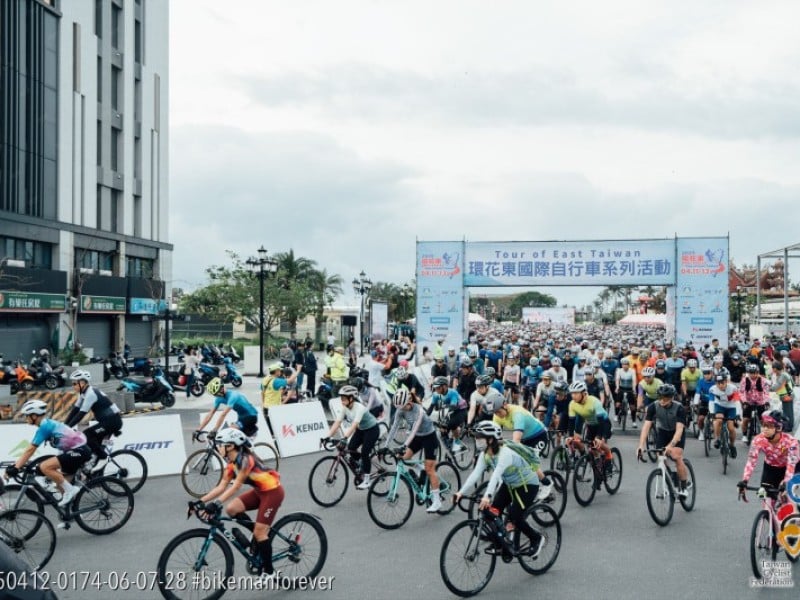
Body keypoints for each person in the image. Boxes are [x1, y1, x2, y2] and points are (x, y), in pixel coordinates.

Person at [191, 429, 283, 580]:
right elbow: (221, 486)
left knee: (260, 533)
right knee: (232, 509)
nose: (217, 447)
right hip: (260, 492)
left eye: (220, 444)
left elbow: (236, 487)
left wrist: (215, 504)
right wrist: (201, 501)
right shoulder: (231, 464)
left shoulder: (246, 460)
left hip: (273, 492)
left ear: (230, 446)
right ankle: (258, 535)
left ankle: (269, 571)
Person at [453, 422, 545, 560]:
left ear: (490, 439)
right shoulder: (485, 455)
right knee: (492, 512)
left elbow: (496, 475)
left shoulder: (505, 453)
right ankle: (502, 544)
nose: (477, 441)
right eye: (476, 438)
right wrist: (460, 492)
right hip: (509, 484)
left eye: (480, 438)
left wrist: (487, 496)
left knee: (515, 516)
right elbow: (475, 474)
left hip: (527, 485)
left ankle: (536, 538)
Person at [3, 399, 91, 507]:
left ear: (34, 416)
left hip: (80, 451)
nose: (26, 418)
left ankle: (71, 489)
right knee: (60, 489)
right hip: (75, 451)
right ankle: (70, 517)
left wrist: (16, 467)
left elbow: (30, 449)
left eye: (27, 415)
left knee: (45, 466)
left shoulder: (45, 427)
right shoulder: (46, 424)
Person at [385, 388, 443, 512]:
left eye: (403, 406)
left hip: (429, 437)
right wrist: (385, 445)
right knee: (403, 457)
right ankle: (420, 470)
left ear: (409, 401)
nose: (401, 409)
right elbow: (394, 427)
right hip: (418, 437)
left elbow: (414, 430)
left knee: (430, 469)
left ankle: (437, 501)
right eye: (398, 407)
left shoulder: (419, 410)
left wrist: (404, 445)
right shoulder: (401, 409)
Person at [636, 384, 691, 497]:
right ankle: (672, 475)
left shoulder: (679, 408)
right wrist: (641, 446)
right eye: (660, 397)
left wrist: (671, 446)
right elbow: (646, 427)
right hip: (663, 431)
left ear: (671, 397)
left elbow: (679, 430)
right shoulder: (653, 407)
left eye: (665, 398)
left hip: (676, 433)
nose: (662, 400)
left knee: (676, 456)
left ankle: (684, 487)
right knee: (659, 455)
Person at [64, 369, 123, 472]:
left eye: (74, 383)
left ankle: (104, 458)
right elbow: (75, 410)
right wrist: (64, 425)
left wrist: (67, 428)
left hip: (112, 421)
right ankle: (97, 474)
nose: (73, 386)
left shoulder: (91, 394)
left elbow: (81, 414)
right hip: (106, 421)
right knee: (95, 447)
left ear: (82, 383)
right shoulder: (83, 393)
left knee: (87, 434)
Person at [323, 385, 381, 489]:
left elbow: (354, 425)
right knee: (350, 449)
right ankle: (363, 465)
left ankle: (367, 480)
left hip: (372, 430)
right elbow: (337, 422)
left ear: (351, 398)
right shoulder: (345, 408)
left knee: (364, 452)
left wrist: (344, 438)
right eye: (341, 399)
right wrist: (327, 436)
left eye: (344, 399)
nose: (342, 401)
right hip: (361, 429)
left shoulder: (360, 408)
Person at [739, 410, 800, 494]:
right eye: (764, 425)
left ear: (779, 428)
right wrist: (745, 480)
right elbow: (751, 462)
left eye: (769, 426)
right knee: (766, 496)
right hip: (771, 467)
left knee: (788, 495)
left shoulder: (791, 442)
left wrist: (787, 482)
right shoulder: (758, 440)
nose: (765, 429)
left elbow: (791, 465)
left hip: (793, 468)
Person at [566, 381, 613, 484]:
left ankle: (609, 455)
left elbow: (602, 421)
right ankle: (598, 469)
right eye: (572, 393)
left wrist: (599, 437)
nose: (573, 396)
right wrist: (570, 436)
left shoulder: (594, 402)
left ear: (583, 393)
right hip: (590, 425)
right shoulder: (572, 404)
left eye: (576, 393)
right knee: (591, 449)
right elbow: (571, 422)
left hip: (603, 424)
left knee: (599, 445)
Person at [428, 376, 468, 452]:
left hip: (461, 410)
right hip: (450, 410)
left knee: (448, 425)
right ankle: (453, 444)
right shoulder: (436, 394)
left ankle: (455, 443)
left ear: (445, 386)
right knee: (444, 427)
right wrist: (424, 416)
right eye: (435, 388)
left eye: (438, 388)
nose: (436, 390)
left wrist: (445, 420)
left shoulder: (452, 392)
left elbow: (453, 406)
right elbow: (430, 408)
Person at [709, 370, 741, 458]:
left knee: (731, 427)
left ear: (726, 381)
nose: (720, 385)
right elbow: (711, 402)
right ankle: (717, 439)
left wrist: (738, 414)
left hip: (731, 407)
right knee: (718, 420)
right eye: (718, 383)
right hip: (719, 406)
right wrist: (712, 413)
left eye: (722, 383)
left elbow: (737, 401)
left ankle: (732, 445)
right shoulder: (712, 389)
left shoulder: (733, 388)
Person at [741, 363, 771, 444]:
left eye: (755, 373)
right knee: (745, 419)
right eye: (751, 373)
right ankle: (744, 435)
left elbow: (766, 392)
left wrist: (766, 401)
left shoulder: (763, 380)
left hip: (760, 401)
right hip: (748, 401)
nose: (754, 375)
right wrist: (744, 401)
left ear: (758, 372)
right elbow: (742, 392)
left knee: (763, 420)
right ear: (749, 373)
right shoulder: (745, 380)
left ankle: (765, 435)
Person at [771, 361, 795, 433]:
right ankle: (787, 426)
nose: (772, 369)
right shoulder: (783, 374)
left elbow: (778, 385)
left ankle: (789, 427)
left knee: (788, 413)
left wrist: (770, 387)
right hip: (786, 395)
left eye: (773, 368)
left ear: (775, 368)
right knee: (786, 411)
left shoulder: (783, 375)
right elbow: (793, 383)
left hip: (787, 396)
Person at [615, 357, 638, 427]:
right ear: (622, 365)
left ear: (628, 365)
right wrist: (617, 387)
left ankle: (634, 421)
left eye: (626, 364)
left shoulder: (632, 371)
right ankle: (616, 415)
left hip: (630, 389)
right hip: (621, 388)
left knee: (632, 407)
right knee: (618, 404)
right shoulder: (619, 370)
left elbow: (634, 380)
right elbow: (617, 379)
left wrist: (634, 389)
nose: (625, 366)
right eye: (623, 364)